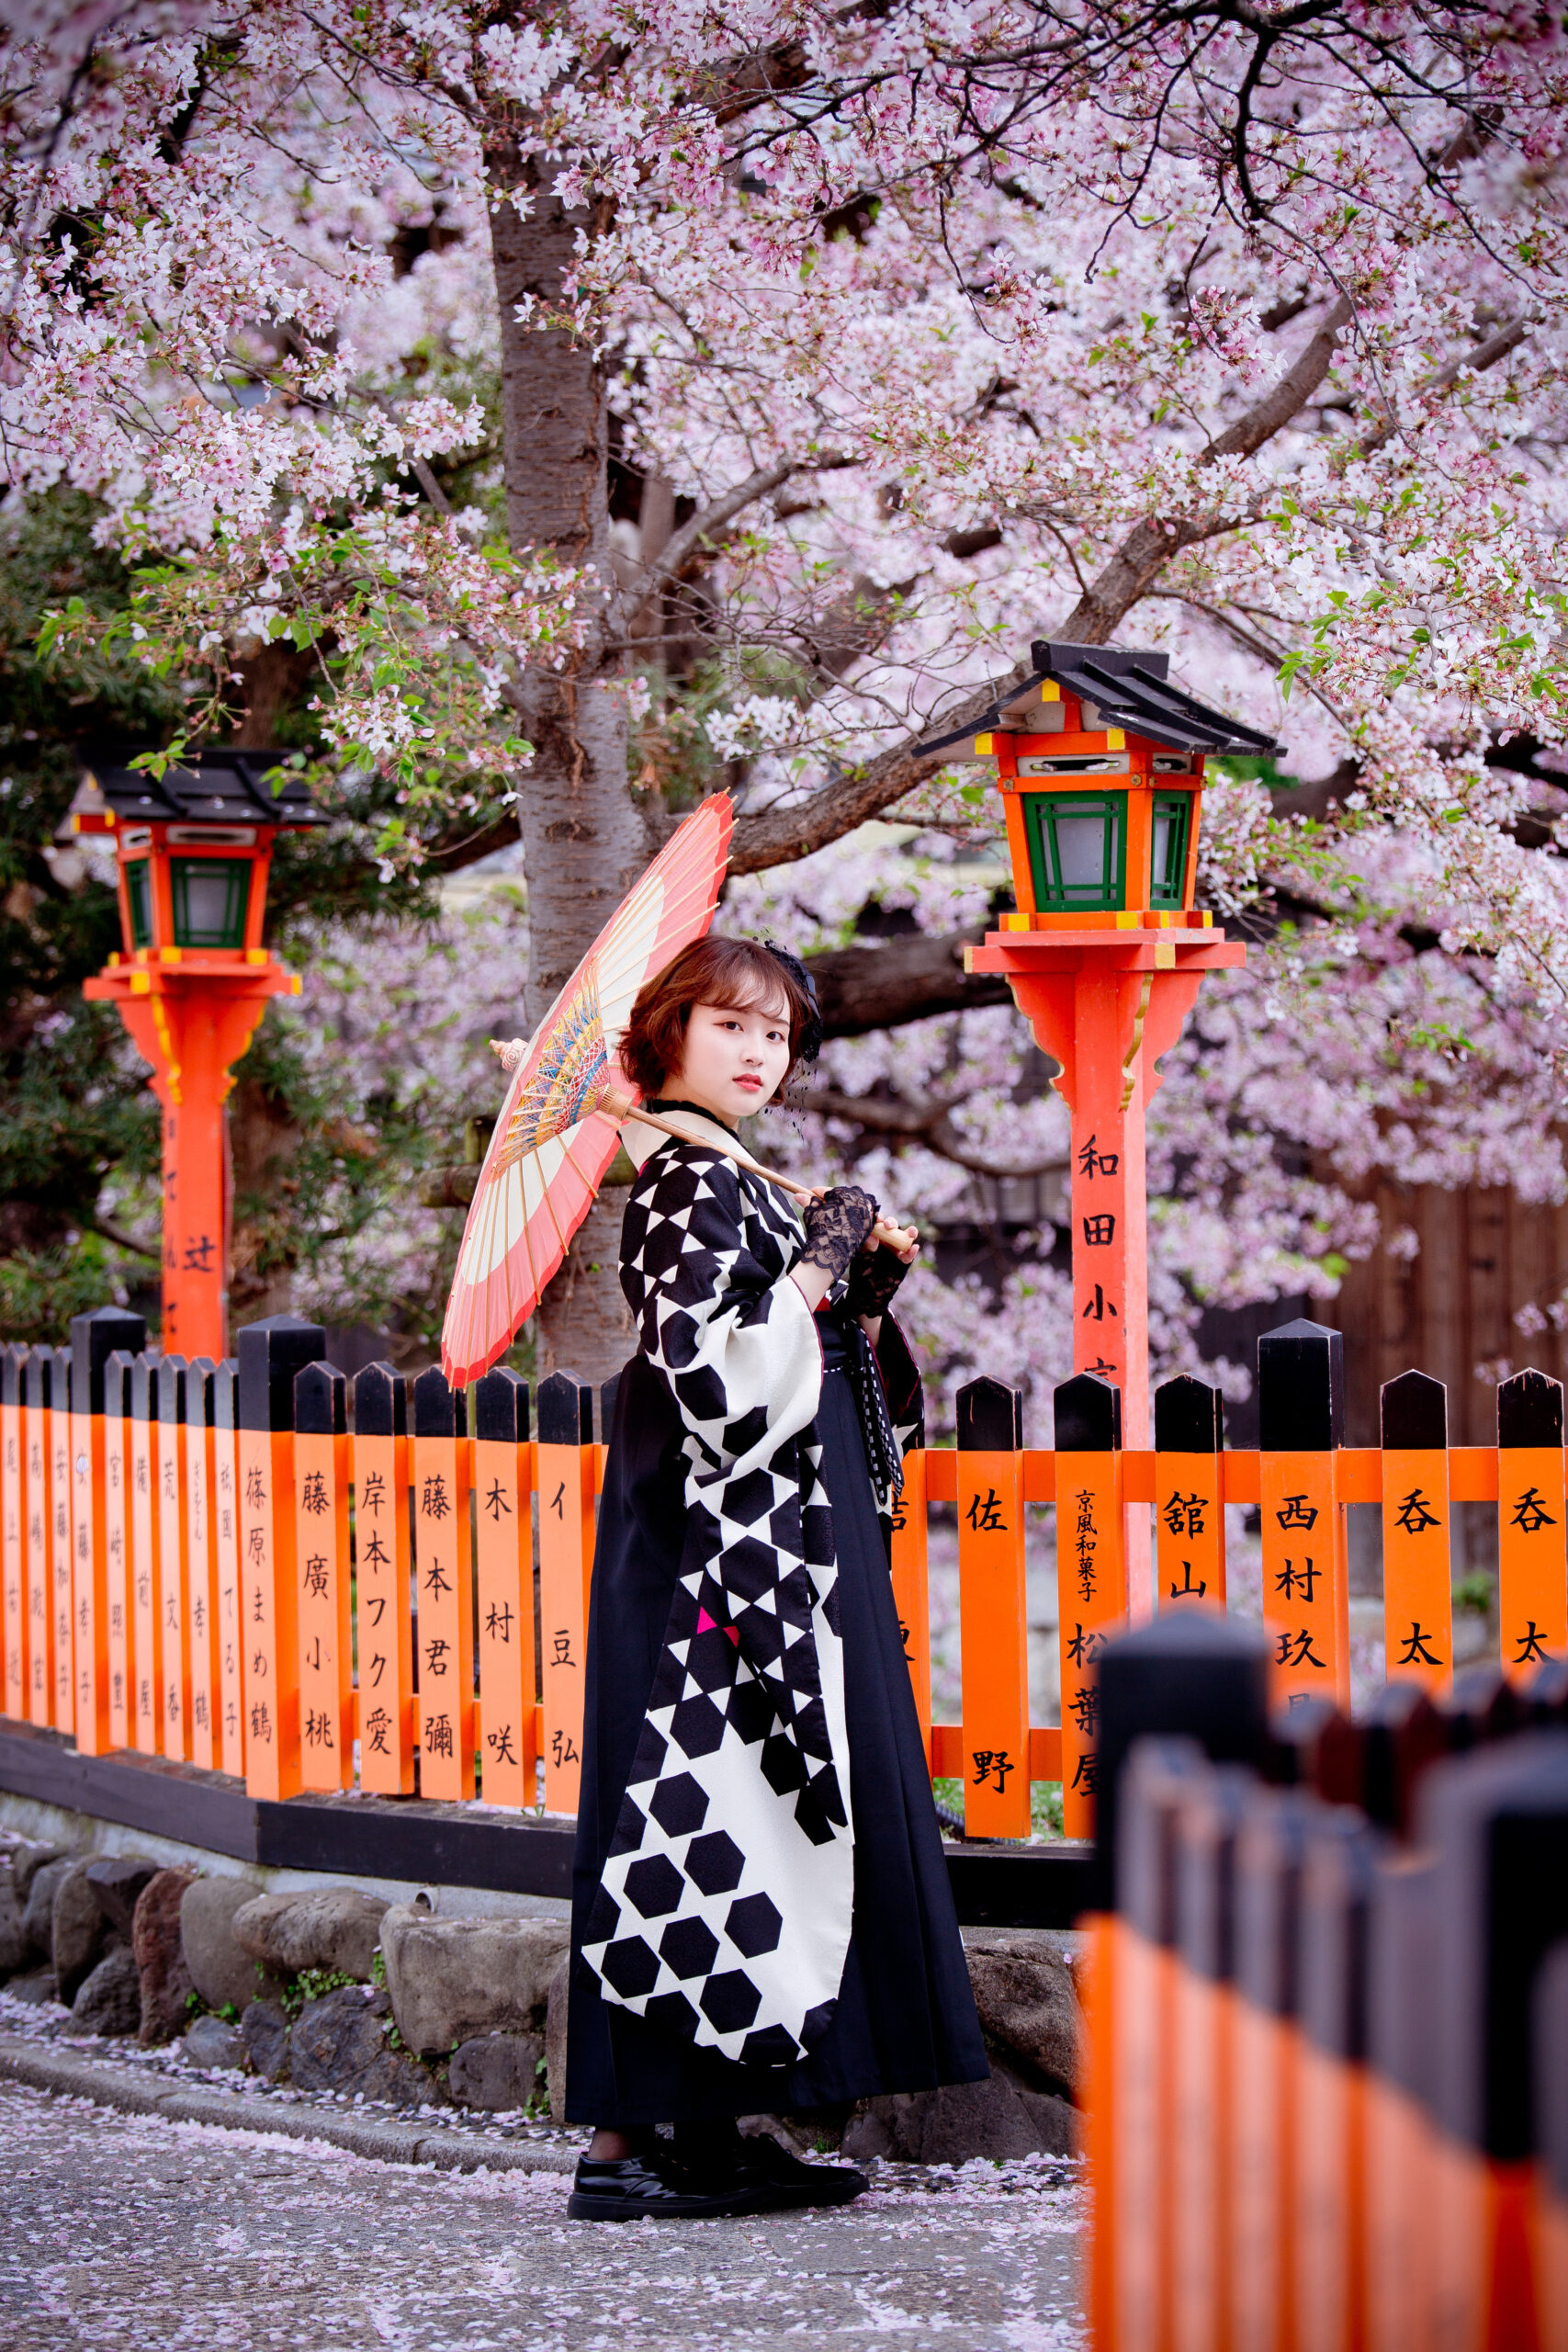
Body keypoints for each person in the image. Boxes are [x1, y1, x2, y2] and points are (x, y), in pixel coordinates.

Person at [565, 934, 987, 2222]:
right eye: (730, 1025)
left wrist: (860, 1296)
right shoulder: (687, 1180)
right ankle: (631, 2148)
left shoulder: (731, 1175)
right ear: (668, 1035)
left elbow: (813, 1364)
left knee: (747, 1814)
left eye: (777, 1035)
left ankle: (697, 2131)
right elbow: (712, 1374)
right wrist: (814, 1272)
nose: (759, 1052)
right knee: (698, 1808)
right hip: (716, 1556)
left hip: (766, 1542)